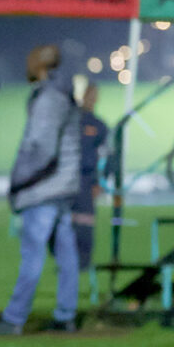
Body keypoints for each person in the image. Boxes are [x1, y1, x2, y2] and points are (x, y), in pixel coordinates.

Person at [0, 44, 80, 336]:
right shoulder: (62, 93)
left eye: (30, 60)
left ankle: (14, 319)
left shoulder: (49, 98)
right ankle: (66, 315)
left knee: (33, 256)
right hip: (63, 186)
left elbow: (41, 148)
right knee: (66, 257)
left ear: (40, 64)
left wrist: (18, 181)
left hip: (43, 189)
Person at [71, 77, 108, 272]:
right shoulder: (72, 122)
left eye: (94, 96)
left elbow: (107, 156)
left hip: (87, 180)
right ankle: (67, 260)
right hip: (68, 179)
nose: (91, 99)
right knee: (67, 222)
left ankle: (83, 262)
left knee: (85, 222)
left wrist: (99, 182)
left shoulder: (99, 126)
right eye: (89, 95)